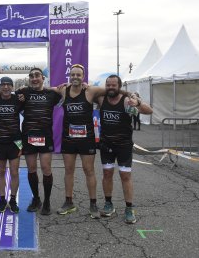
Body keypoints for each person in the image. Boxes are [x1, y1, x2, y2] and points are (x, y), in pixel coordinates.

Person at [57, 64, 120, 219]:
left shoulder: (90, 90)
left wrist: (132, 96)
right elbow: (46, 90)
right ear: (69, 76)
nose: (75, 77)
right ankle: (69, 202)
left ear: (83, 76)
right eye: (73, 75)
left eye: (78, 75)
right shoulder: (63, 90)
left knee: (89, 171)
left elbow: (113, 91)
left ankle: (93, 204)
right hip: (69, 139)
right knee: (69, 171)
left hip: (86, 139)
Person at [97, 75, 152, 224]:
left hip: (124, 145)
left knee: (125, 176)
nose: (110, 87)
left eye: (113, 85)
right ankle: (108, 204)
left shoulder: (127, 101)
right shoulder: (101, 99)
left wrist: (138, 101)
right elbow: (89, 91)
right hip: (106, 144)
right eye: (108, 85)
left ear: (119, 86)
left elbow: (149, 111)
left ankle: (129, 208)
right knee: (107, 174)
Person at [16, 68, 62, 215]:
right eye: (31, 76)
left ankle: (47, 201)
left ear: (43, 78)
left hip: (45, 136)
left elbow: (66, 91)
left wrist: (52, 87)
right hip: (28, 136)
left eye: (37, 76)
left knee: (46, 169)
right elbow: (8, 96)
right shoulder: (24, 93)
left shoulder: (51, 94)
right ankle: (36, 199)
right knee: (31, 169)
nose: (34, 78)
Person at [0, 77, 24, 213]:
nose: (5, 87)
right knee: (0, 171)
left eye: (8, 85)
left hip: (16, 142)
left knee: (14, 172)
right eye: (3, 85)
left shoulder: (18, 100)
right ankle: (2, 199)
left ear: (12, 87)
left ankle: (12, 199)